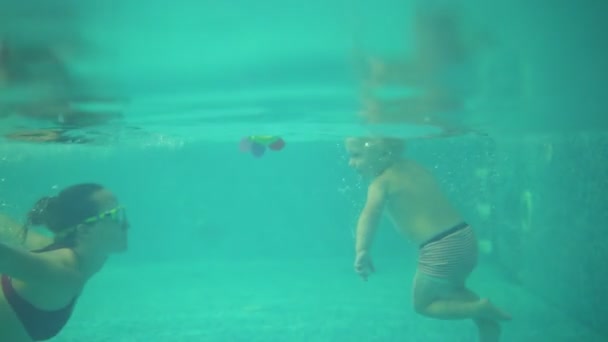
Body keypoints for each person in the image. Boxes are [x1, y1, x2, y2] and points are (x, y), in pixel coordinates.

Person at [345, 137, 510, 342]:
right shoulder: (414, 167)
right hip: (464, 236)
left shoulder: (381, 183)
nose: (350, 163)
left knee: (423, 304)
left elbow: (369, 215)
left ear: (382, 154)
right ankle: (487, 325)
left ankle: (480, 309)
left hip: (440, 247)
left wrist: (362, 249)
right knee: (453, 290)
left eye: (356, 155)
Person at [0, 183, 129, 341]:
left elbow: (4, 223)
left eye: (122, 213)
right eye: (114, 216)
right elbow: (4, 257)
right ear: (84, 230)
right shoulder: (62, 272)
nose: (126, 224)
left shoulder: (57, 250)